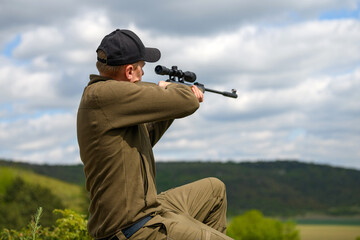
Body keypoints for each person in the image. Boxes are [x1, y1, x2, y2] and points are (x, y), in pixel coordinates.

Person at [77, 29, 233, 240]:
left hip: (150, 211)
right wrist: (173, 90)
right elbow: (186, 102)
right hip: (132, 228)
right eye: (142, 68)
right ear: (130, 71)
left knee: (214, 190)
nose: (143, 74)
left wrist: (165, 106)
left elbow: (144, 139)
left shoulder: (112, 101)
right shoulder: (103, 94)